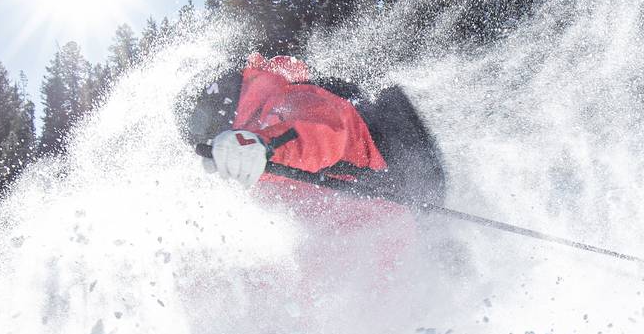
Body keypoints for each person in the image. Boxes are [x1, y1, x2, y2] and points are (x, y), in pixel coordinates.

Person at [180, 53, 447, 221]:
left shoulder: (283, 101)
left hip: (396, 190)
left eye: (199, 124)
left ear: (220, 105)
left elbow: (324, 132)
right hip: (363, 224)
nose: (206, 140)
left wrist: (265, 146)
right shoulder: (248, 158)